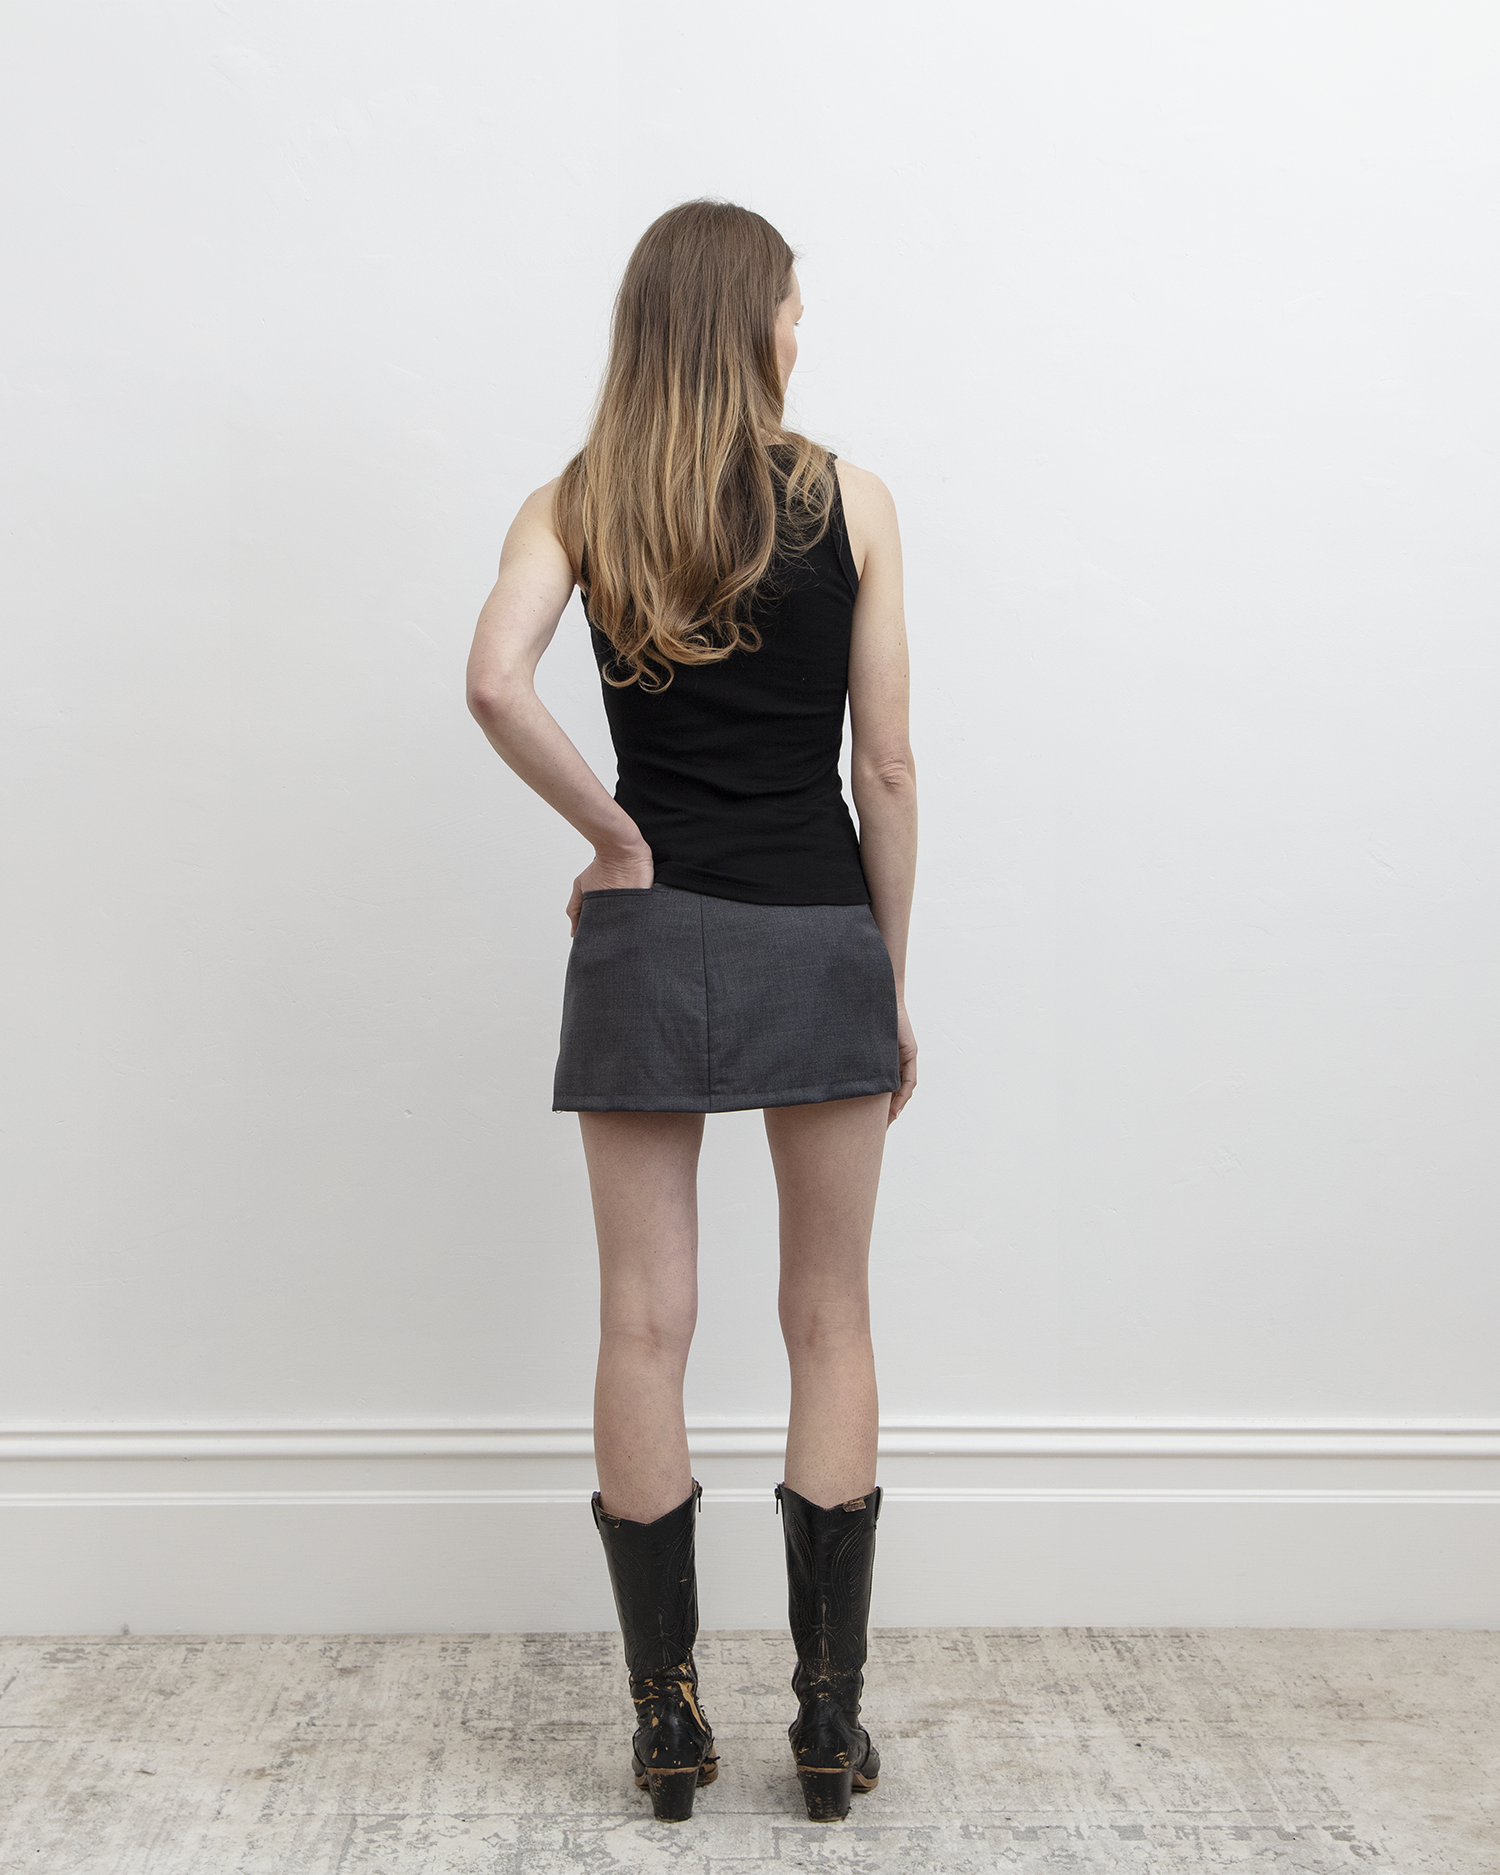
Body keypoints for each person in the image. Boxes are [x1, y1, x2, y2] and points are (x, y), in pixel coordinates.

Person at [465, 199, 917, 1824]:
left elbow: (496, 678)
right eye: (792, 305)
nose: (803, 331)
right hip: (814, 926)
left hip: (648, 941)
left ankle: (666, 1727)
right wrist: (888, 975)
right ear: (750, 321)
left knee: (643, 1322)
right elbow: (885, 767)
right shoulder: (851, 499)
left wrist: (614, 838)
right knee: (830, 1315)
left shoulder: (581, 498)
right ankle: (826, 1722)